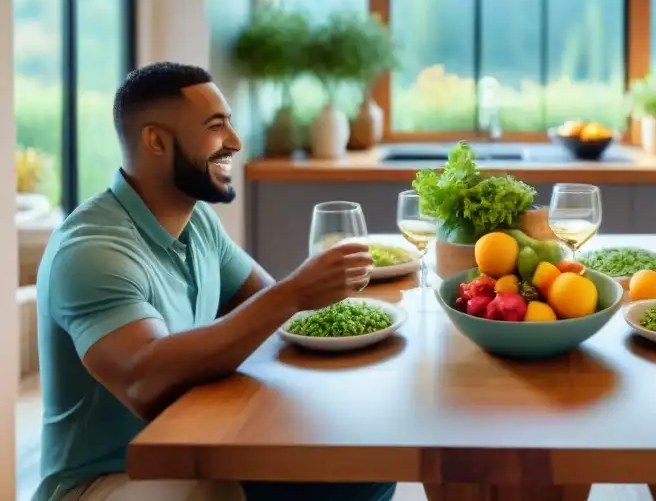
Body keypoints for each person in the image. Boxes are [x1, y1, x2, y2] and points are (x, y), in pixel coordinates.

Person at [35, 62, 395, 501]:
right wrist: (295, 292)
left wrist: (335, 309)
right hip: (108, 479)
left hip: (194, 442)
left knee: (365, 472)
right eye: (215, 126)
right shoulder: (91, 251)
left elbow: (271, 314)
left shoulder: (198, 222)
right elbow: (143, 384)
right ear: (155, 141)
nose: (236, 142)